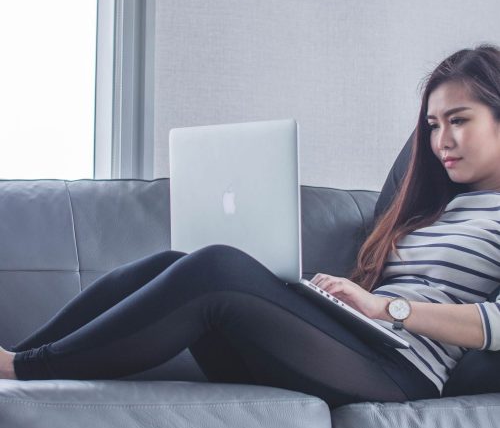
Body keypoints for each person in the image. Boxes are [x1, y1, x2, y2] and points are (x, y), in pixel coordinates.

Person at [1, 44, 500, 409]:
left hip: (399, 372)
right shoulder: (444, 205)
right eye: (432, 125)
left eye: (458, 120)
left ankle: (25, 367)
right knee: (177, 263)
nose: (440, 141)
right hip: (352, 344)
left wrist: (386, 307)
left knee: (218, 267)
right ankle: (17, 358)